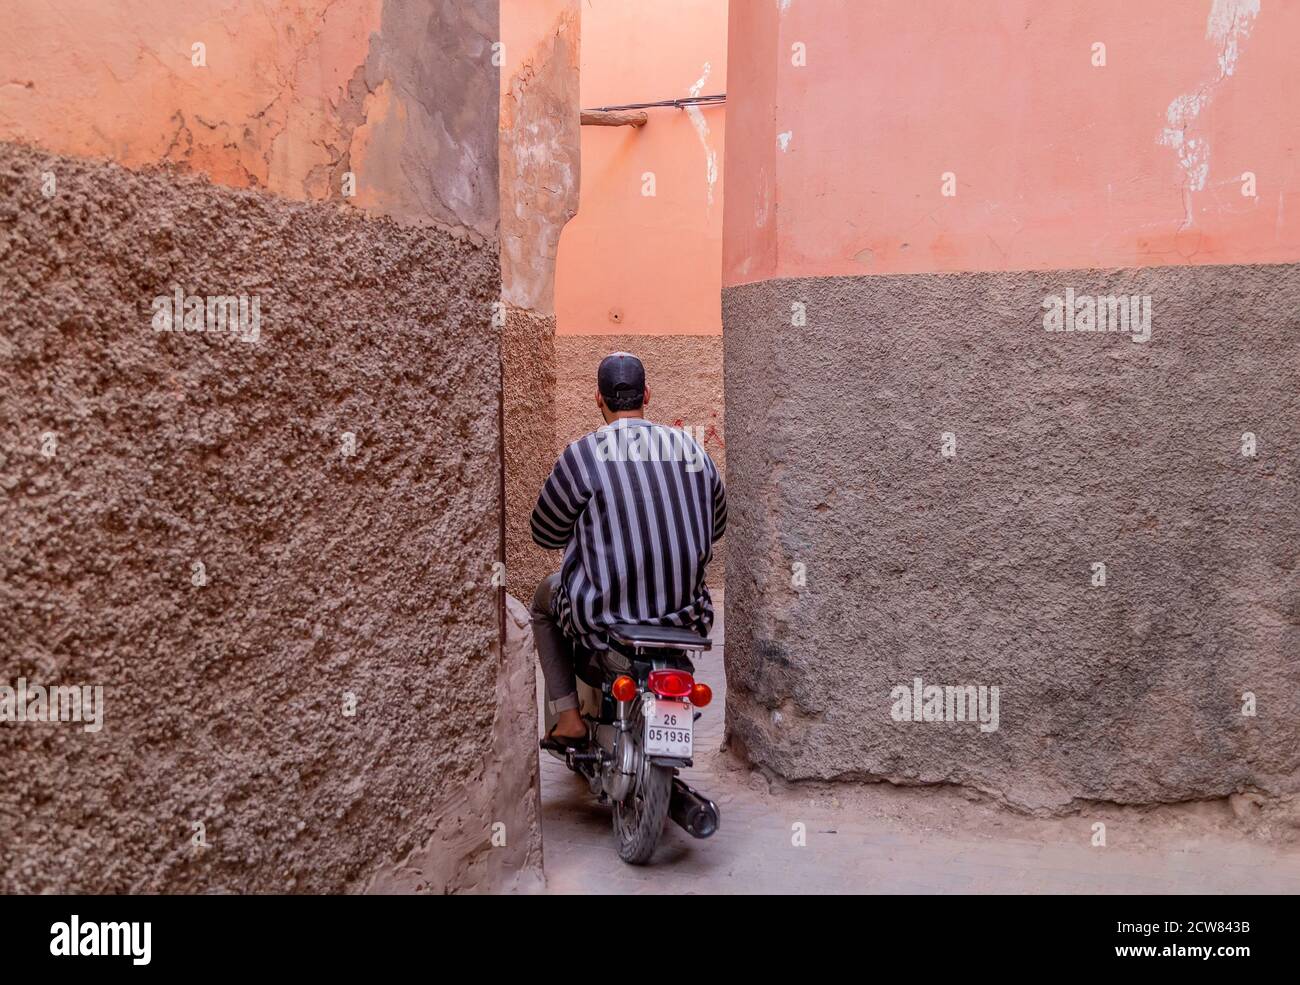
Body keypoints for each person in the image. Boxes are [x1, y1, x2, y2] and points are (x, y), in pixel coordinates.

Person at [530, 352, 726, 746]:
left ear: (598, 399)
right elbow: (717, 524)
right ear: (647, 395)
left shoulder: (581, 455)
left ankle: (568, 718)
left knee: (542, 602)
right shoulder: (692, 451)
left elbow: (546, 533)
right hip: (684, 618)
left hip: (606, 621)